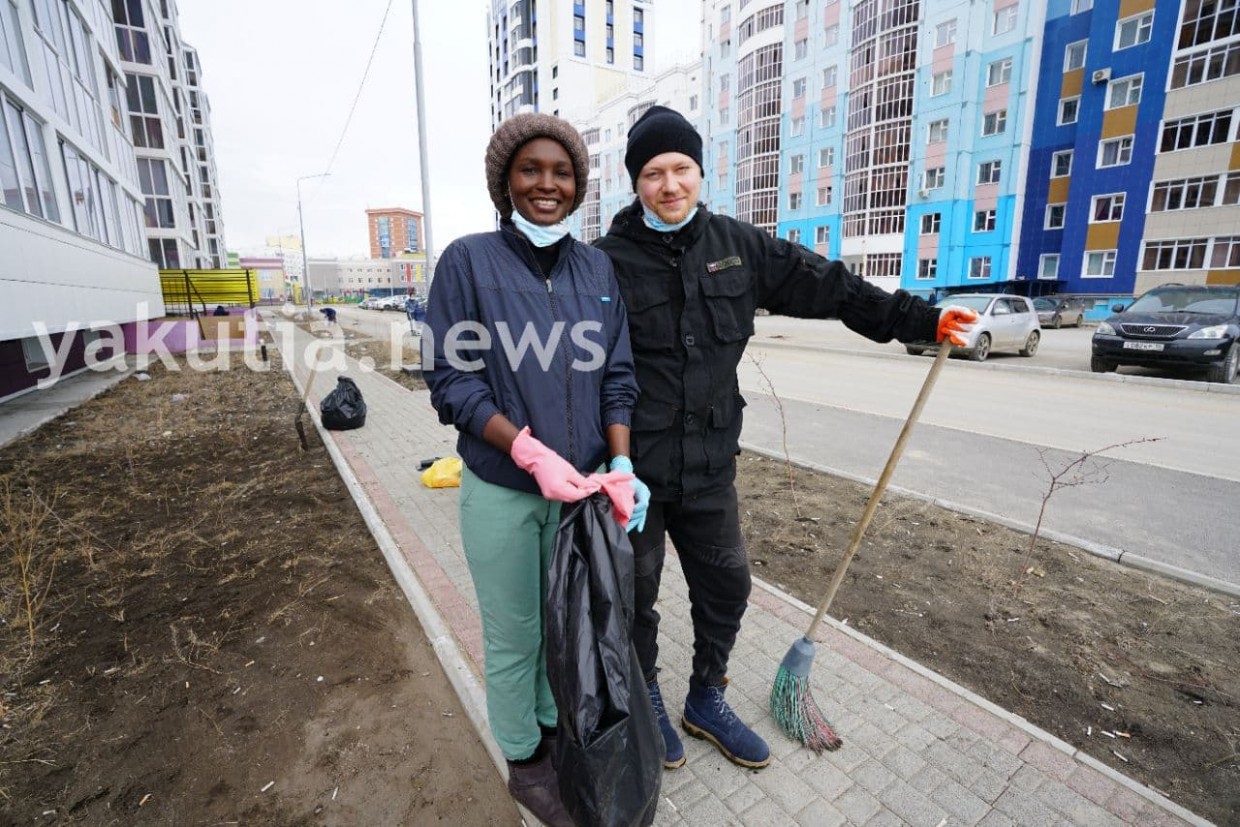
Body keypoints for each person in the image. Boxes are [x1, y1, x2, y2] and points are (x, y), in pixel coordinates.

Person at [594, 106, 976, 771]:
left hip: (711, 464)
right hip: (638, 475)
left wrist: (921, 317)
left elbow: (830, 285)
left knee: (729, 586)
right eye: (653, 173)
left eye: (682, 168)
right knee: (636, 597)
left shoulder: (739, 246)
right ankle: (647, 694)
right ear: (636, 183)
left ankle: (706, 697)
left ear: (700, 172)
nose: (670, 184)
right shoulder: (603, 264)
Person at [424, 113, 648, 826]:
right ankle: (524, 759)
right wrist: (525, 449)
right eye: (531, 169)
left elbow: (617, 373)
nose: (547, 183)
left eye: (562, 172)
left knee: (565, 629)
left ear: (579, 184)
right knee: (517, 631)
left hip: (580, 493)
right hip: (504, 490)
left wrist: (619, 461)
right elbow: (451, 379)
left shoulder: (597, 269)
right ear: (505, 181)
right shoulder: (468, 262)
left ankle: (553, 734)